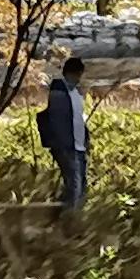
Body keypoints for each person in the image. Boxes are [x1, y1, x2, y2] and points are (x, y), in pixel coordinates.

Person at [38, 53, 90, 217]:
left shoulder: (75, 94)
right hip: (67, 146)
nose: (79, 79)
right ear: (72, 73)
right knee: (74, 186)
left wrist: (86, 139)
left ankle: (68, 215)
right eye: (78, 75)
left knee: (80, 185)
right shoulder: (59, 92)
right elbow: (58, 121)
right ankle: (67, 219)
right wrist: (61, 144)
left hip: (78, 146)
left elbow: (78, 120)